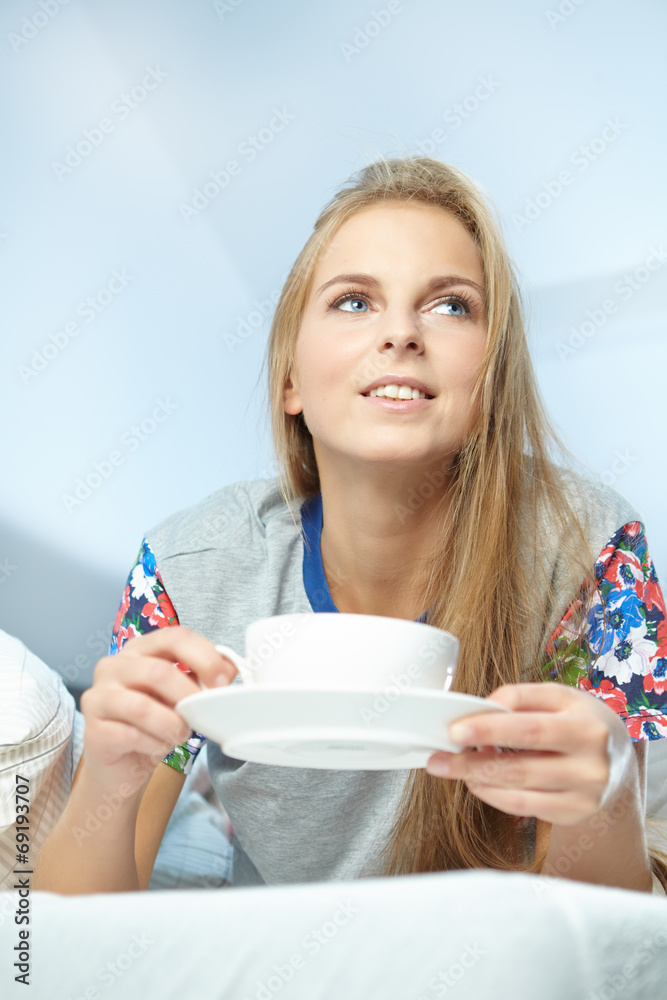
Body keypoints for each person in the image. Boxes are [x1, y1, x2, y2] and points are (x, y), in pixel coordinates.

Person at [33, 155, 667, 895]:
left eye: (450, 305)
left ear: (490, 380)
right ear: (290, 379)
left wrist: (607, 796)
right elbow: (71, 935)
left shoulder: (592, 552)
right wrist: (106, 782)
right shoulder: (186, 568)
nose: (399, 332)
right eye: (354, 301)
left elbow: (607, 936)